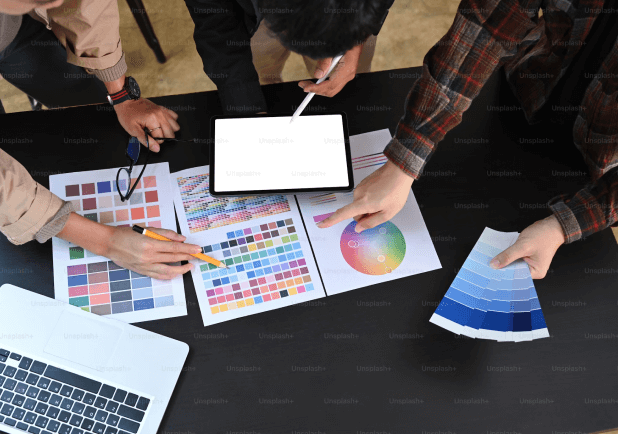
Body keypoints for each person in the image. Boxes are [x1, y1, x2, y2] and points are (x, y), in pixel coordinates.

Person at [318, 0, 618, 279]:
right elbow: (487, 26)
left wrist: (563, 226)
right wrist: (404, 161)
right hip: (528, 88)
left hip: (599, 169)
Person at [0, 0, 198, 279]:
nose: (57, 2)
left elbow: (86, 7)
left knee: (90, 112)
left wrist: (120, 96)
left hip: (13, 31)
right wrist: (105, 241)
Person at [182, 0, 393, 114]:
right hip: (250, 13)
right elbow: (217, 27)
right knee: (259, 68)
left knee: (347, 86)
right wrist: (246, 108)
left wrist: (355, 43)